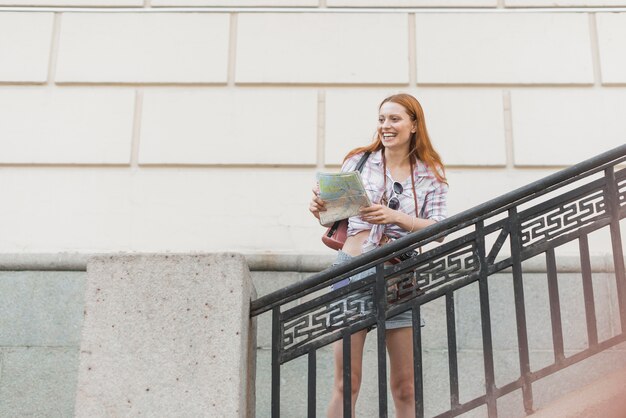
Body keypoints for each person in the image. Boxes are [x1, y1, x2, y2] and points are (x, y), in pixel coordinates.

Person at [309, 93, 448, 418]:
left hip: (401, 278)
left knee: (405, 387)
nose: (386, 126)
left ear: (414, 125)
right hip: (352, 272)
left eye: (395, 119)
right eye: (382, 119)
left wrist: (396, 217)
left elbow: (440, 229)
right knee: (347, 385)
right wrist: (319, 210)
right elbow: (334, 218)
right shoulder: (358, 161)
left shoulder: (429, 173)